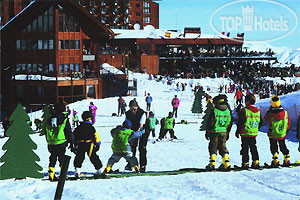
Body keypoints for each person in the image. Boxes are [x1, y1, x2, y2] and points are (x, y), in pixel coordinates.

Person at [45, 102, 74, 181]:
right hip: (61, 142)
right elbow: (68, 132)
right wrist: (71, 142)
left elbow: (46, 131)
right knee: (61, 157)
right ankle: (63, 173)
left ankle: (51, 170)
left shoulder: (49, 120)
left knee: (53, 156)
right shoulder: (64, 119)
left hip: (51, 142)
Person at [205, 94, 232, 170]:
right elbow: (230, 122)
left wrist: (208, 131)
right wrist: (227, 132)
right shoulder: (228, 110)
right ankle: (226, 163)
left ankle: (212, 163)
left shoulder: (214, 110)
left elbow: (211, 122)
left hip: (214, 132)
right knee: (223, 147)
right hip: (224, 131)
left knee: (213, 147)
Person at [73, 111, 103, 178]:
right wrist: (98, 143)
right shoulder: (91, 127)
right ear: (88, 119)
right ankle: (98, 170)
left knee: (79, 157)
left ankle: (77, 170)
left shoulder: (79, 127)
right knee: (93, 157)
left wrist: (74, 144)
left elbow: (74, 136)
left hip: (80, 144)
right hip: (90, 145)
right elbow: (96, 136)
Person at [235, 94, 261, 169]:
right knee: (253, 147)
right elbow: (260, 122)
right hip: (253, 132)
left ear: (247, 101)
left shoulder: (245, 110)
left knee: (245, 148)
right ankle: (256, 161)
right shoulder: (257, 111)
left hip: (245, 132)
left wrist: (238, 131)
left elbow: (241, 122)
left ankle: (245, 162)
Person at [264, 96, 291, 167]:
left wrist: (269, 110)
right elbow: (288, 123)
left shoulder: (271, 114)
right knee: (283, 146)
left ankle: (275, 159)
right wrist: (286, 130)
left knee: (273, 146)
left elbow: (266, 118)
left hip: (273, 134)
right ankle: (287, 158)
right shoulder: (285, 113)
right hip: (282, 133)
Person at [124, 99, 148, 172]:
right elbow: (126, 124)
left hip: (143, 131)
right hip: (133, 130)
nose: (133, 111)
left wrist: (135, 134)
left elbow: (141, 126)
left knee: (142, 148)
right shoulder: (127, 113)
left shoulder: (142, 113)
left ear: (137, 107)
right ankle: (131, 164)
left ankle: (143, 165)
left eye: (134, 109)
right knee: (132, 147)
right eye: (131, 109)